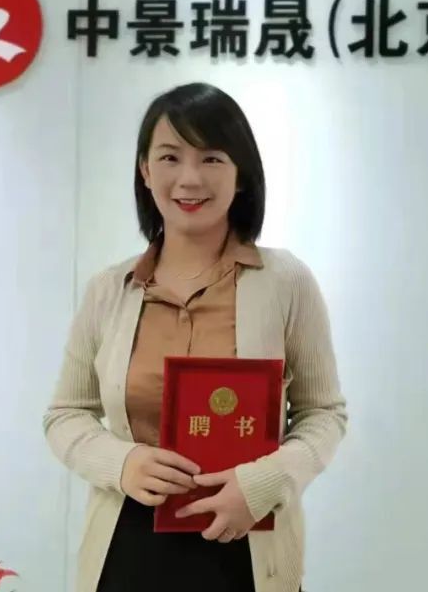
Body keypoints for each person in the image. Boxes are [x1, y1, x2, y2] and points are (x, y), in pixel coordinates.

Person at [43, 82, 347, 592]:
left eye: (211, 159)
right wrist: (122, 462)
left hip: (248, 546)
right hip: (128, 546)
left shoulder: (286, 282)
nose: (189, 178)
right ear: (145, 171)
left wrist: (263, 483)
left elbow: (323, 414)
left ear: (241, 174)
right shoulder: (109, 290)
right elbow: (65, 414)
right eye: (169, 157)